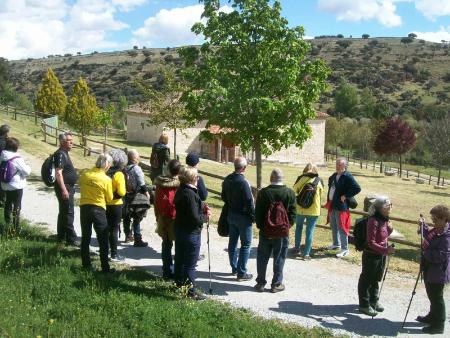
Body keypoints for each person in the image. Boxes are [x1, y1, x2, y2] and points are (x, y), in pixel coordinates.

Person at [254, 168, 296, 293]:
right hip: (282, 233)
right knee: (279, 257)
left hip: (265, 231)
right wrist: (286, 226)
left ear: (271, 178)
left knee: (262, 257)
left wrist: (261, 226)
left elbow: (258, 212)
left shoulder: (263, 193)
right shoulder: (289, 193)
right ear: (282, 179)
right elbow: (293, 214)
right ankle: (276, 284)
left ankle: (260, 283)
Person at [173, 166, 210, 300]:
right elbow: (194, 218)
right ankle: (190, 292)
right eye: (197, 176)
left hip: (180, 229)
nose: (198, 178)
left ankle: (179, 284)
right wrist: (205, 217)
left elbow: (190, 210)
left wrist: (202, 207)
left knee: (180, 259)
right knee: (190, 264)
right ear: (193, 179)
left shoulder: (181, 189)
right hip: (191, 232)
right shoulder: (190, 194)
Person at [357, 196, 395, 317]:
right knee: (366, 279)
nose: (390, 207)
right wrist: (385, 250)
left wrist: (389, 230)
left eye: (391, 204)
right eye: (387, 205)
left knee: (376, 278)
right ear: (379, 208)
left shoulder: (384, 219)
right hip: (371, 255)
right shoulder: (373, 221)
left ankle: (374, 300)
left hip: (381, 255)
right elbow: (371, 242)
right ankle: (364, 305)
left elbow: (383, 237)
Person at [416, 205, 450, 334]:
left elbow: (441, 255)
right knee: (432, 295)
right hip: (430, 269)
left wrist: (426, 253)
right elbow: (428, 235)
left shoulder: (446, 236)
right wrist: (423, 225)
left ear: (445, 219)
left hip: (438, 272)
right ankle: (432, 316)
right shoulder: (436, 230)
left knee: (437, 298)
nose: (433, 222)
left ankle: (439, 325)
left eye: (435, 220)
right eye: (432, 219)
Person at [79, 154, 114, 273]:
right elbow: (109, 199)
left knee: (85, 237)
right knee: (103, 239)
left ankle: (86, 264)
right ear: (107, 165)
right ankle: (105, 267)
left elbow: (80, 185)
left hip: (84, 207)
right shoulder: (106, 179)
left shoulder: (85, 174)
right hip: (98, 209)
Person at [221, 156, 255, 281]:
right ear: (244, 168)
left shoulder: (228, 179)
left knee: (233, 242)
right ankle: (241, 272)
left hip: (231, 214)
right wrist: (253, 216)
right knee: (246, 244)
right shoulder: (243, 182)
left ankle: (234, 267)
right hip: (243, 217)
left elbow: (223, 196)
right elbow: (249, 201)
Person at [325, 157, 361, 258]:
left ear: (345, 165)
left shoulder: (348, 176)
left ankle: (345, 249)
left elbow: (357, 188)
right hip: (332, 205)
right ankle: (336, 244)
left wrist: (345, 196)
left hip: (341, 207)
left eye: (340, 164)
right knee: (334, 226)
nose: (337, 166)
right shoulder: (334, 175)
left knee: (342, 228)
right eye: (337, 164)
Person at [154, 159, 181, 279]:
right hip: (177, 218)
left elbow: (156, 202)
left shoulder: (160, 184)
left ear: (168, 169)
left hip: (163, 217)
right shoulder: (181, 184)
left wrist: (158, 217)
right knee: (179, 246)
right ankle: (178, 271)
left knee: (166, 245)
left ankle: (166, 271)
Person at [292, 163, 324, 260]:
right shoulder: (319, 180)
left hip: (301, 208)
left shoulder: (302, 178)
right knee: (310, 231)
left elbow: (294, 189)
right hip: (314, 210)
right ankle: (306, 254)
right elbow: (321, 193)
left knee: (298, 228)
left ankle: (297, 249)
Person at [0, 137, 31, 232]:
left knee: (8, 203)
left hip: (5, 184)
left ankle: (7, 223)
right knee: (17, 206)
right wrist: (28, 167)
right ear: (15, 147)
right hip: (16, 185)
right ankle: (16, 227)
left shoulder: (2, 155)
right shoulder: (17, 158)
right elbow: (26, 172)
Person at [54, 132, 79, 246]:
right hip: (66, 187)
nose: (72, 142)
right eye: (69, 140)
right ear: (63, 142)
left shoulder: (64, 153)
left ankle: (61, 236)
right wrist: (64, 190)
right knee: (68, 212)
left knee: (64, 212)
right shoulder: (60, 154)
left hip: (68, 187)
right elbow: (58, 173)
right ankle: (71, 238)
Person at [123, 149, 149, 247]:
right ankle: (137, 239)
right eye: (138, 156)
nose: (139, 158)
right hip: (136, 195)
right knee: (137, 216)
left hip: (127, 194)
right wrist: (147, 193)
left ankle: (128, 235)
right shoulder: (136, 168)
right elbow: (141, 182)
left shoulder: (125, 168)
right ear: (134, 158)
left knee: (127, 216)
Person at [106, 149, 127, 262]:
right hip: (115, 204)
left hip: (104, 203)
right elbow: (122, 192)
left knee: (106, 228)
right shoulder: (118, 174)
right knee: (114, 229)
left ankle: (104, 250)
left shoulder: (105, 171)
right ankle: (114, 254)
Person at [0, 124, 10, 207]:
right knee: (2, 183)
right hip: (1, 164)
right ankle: (2, 201)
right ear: (6, 133)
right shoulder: (3, 143)